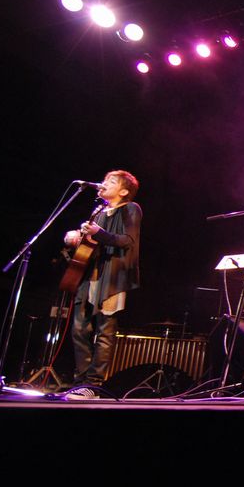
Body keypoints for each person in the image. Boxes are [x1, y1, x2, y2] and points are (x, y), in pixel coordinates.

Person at [62, 170, 142, 398]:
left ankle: (93, 384)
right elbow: (90, 244)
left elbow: (128, 241)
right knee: (79, 329)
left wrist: (100, 233)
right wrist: (76, 237)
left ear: (124, 191)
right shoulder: (97, 211)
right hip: (89, 275)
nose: (104, 184)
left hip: (113, 277)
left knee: (104, 332)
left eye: (112, 182)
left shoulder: (130, 208)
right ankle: (80, 382)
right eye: (105, 180)